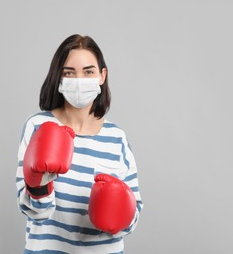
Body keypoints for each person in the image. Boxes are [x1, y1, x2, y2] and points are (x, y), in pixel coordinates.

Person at [16, 34, 143, 253]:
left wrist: (118, 215)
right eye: (69, 72)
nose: (79, 80)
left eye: (88, 71)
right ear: (59, 77)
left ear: (102, 76)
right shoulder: (38, 126)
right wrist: (39, 186)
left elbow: (134, 214)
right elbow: (34, 211)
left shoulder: (117, 138)